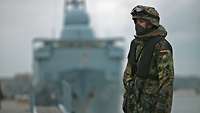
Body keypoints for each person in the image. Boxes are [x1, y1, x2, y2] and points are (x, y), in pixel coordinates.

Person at [122, 5, 174, 113]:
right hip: (133, 107)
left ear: (151, 23)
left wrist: (162, 109)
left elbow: (166, 84)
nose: (137, 24)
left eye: (141, 21)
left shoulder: (161, 46)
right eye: (136, 21)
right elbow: (128, 73)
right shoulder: (135, 44)